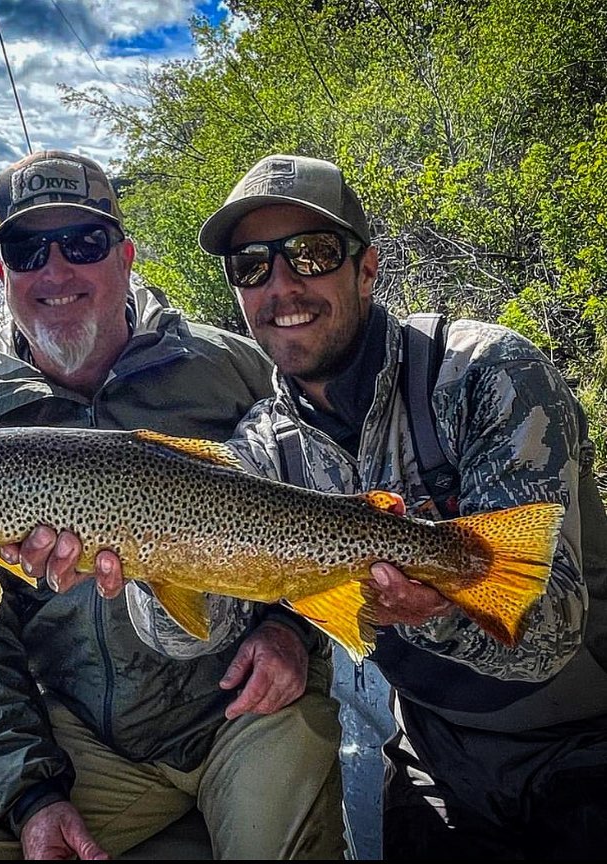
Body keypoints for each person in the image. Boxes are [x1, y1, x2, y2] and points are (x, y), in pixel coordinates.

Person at [57, 153, 607, 859]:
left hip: (582, 739)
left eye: (311, 255)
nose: (282, 285)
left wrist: (433, 609)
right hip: (437, 751)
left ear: (367, 269)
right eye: (251, 266)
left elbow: (547, 636)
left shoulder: (484, 374)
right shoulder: (261, 448)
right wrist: (135, 557)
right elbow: (199, 633)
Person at [0, 150, 347, 861]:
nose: (55, 272)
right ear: (2, 276)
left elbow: (321, 506)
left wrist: (291, 635)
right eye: (27, 250)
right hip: (88, 737)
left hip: (248, 703)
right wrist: (30, 794)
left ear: (126, 257)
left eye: (83, 244)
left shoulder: (231, 367)